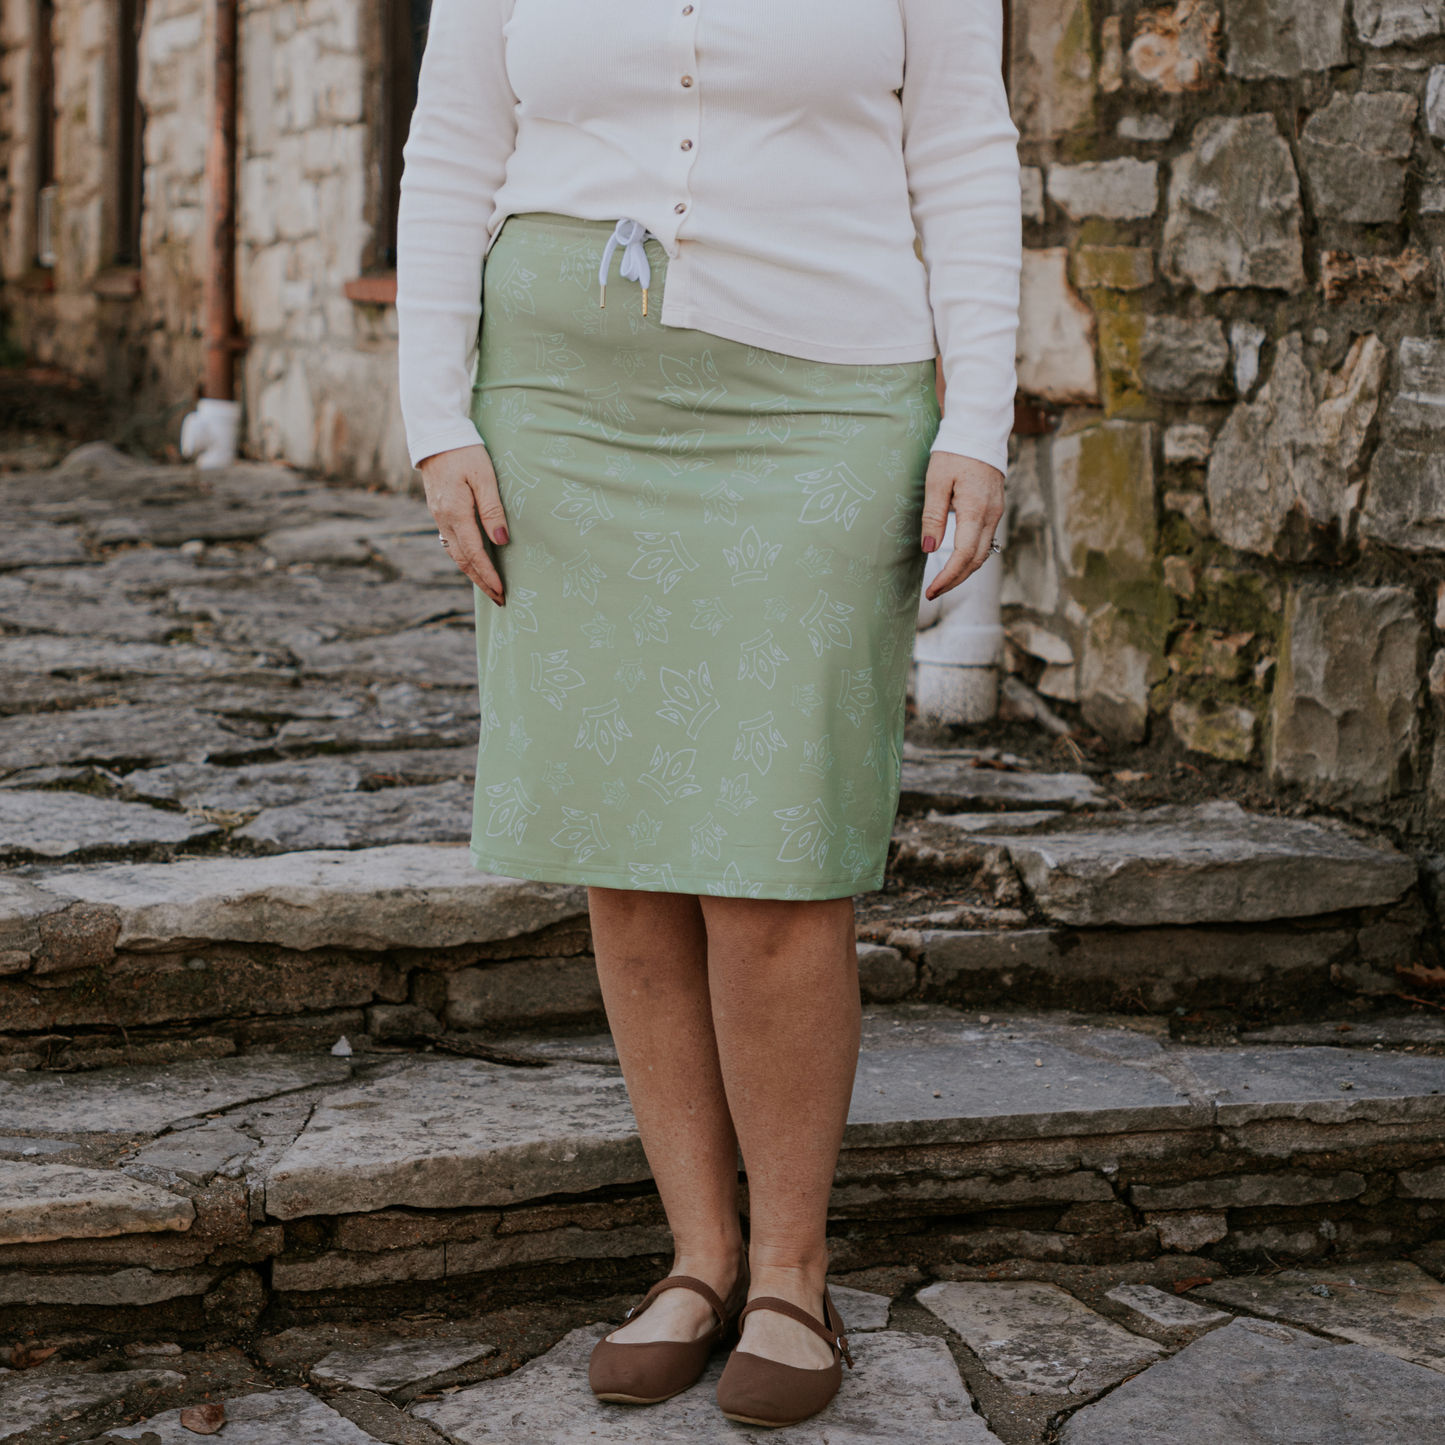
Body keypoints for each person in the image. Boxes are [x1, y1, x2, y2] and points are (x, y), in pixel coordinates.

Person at [396, 0, 1019, 1426]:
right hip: (565, 402)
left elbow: (965, 150)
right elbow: (452, 147)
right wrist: (438, 417)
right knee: (626, 846)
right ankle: (699, 1256)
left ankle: (794, 1272)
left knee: (778, 853)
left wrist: (977, 420)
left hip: (829, 399)